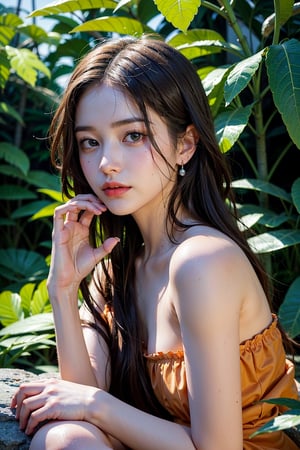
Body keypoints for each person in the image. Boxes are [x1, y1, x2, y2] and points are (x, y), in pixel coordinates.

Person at [11, 36, 298, 450]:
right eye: (90, 142)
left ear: (185, 144)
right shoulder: (117, 264)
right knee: (65, 437)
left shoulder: (202, 261)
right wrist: (62, 288)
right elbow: (75, 401)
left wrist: (95, 404)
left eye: (132, 136)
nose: (106, 161)